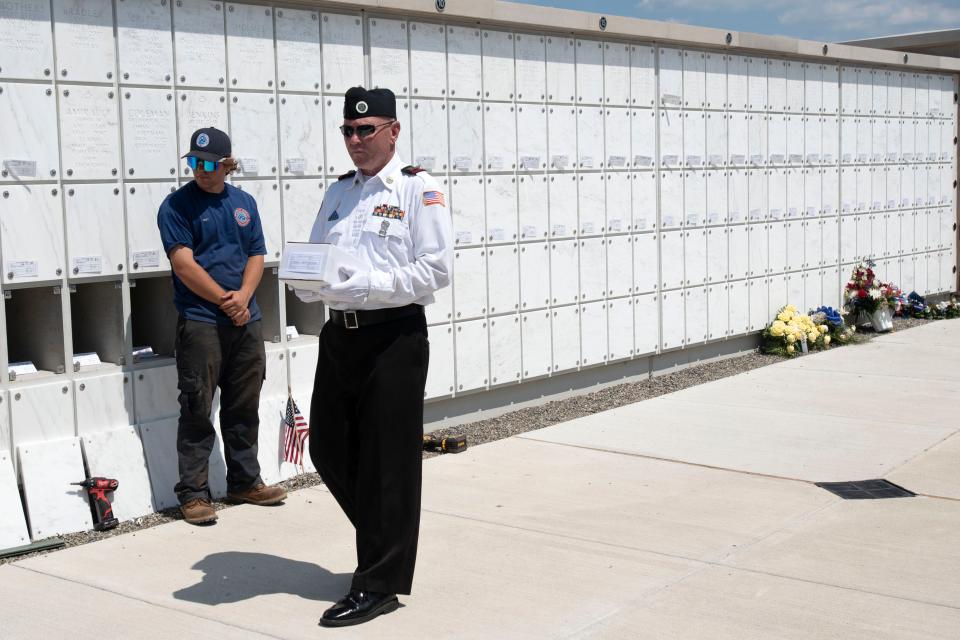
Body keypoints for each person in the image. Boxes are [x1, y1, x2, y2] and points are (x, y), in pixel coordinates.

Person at [293, 87, 453, 627]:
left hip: (393, 337)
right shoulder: (339, 193)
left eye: (366, 130)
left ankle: (379, 580)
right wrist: (307, 282)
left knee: (388, 461)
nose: (355, 141)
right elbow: (319, 256)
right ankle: (386, 540)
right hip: (340, 335)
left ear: (393, 132)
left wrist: (366, 284)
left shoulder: (416, 189)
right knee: (330, 449)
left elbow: (435, 271)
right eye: (348, 131)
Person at [157, 126, 287, 526]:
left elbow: (256, 255)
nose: (201, 170)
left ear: (227, 164)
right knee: (197, 406)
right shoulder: (176, 206)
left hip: (246, 319)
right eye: (195, 162)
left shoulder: (243, 202)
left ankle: (245, 482)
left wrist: (244, 297)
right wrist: (225, 300)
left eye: (210, 163)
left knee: (243, 405)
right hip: (202, 322)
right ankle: (194, 495)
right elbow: (183, 264)